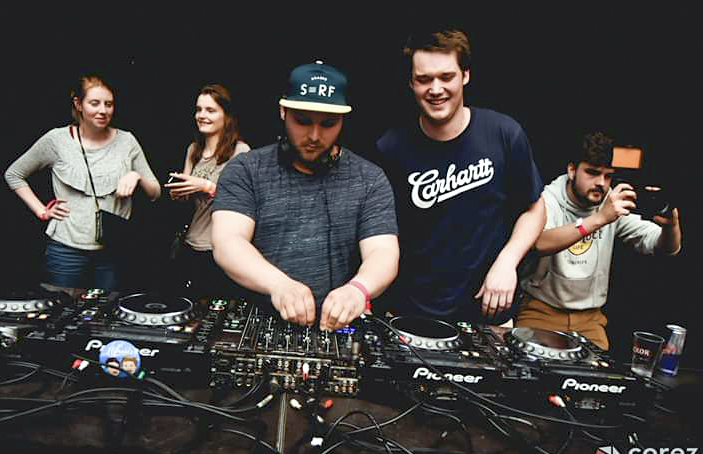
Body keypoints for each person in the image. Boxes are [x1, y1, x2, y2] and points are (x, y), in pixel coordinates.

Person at [210, 61, 399, 332]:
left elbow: (383, 251)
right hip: (259, 326)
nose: (314, 136)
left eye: (328, 124)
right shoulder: (246, 169)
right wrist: (279, 285)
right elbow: (228, 242)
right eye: (302, 121)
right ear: (282, 111)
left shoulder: (370, 178)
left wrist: (358, 289)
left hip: (337, 329)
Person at [376, 27, 545, 324]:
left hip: (487, 315)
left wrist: (507, 262)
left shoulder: (504, 134)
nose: (436, 89)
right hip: (410, 315)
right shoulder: (390, 148)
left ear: (465, 75)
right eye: (424, 79)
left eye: (446, 77)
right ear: (411, 83)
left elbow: (535, 209)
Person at [517, 132, 682, 350]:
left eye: (607, 176)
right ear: (572, 170)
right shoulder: (549, 199)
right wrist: (599, 218)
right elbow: (539, 242)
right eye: (592, 173)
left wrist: (671, 226)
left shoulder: (609, 202)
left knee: (604, 370)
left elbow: (663, 247)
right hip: (541, 311)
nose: (600, 183)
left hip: (590, 319)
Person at [4, 74, 161, 296]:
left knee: (105, 311)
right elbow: (14, 174)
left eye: (108, 104)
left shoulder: (127, 141)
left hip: (112, 250)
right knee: (60, 310)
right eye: (94, 103)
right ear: (78, 104)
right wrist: (41, 211)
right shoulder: (57, 140)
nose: (103, 110)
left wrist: (136, 176)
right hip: (65, 250)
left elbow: (155, 192)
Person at [164, 84, 250, 300]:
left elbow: (245, 200)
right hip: (192, 243)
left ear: (226, 116)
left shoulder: (240, 151)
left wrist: (206, 186)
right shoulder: (193, 149)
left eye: (210, 110)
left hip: (221, 247)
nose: (202, 115)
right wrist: (179, 192)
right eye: (199, 109)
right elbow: (186, 196)